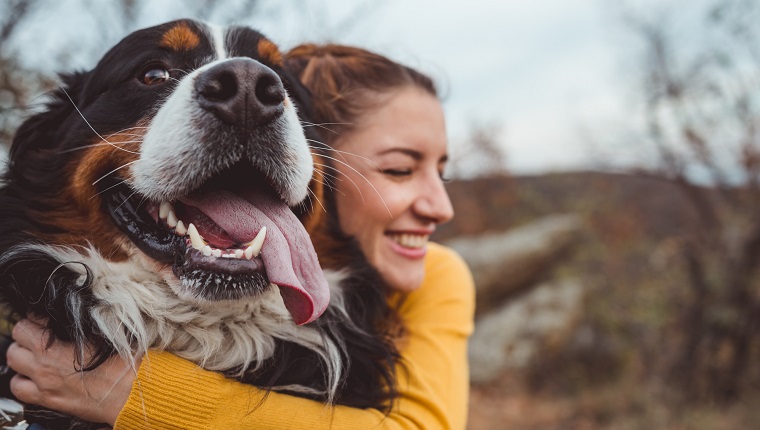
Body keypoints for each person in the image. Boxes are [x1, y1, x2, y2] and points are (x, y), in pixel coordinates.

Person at [7, 44, 476, 429]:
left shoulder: (436, 273)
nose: (441, 207)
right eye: (399, 169)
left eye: (442, 172)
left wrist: (132, 393)